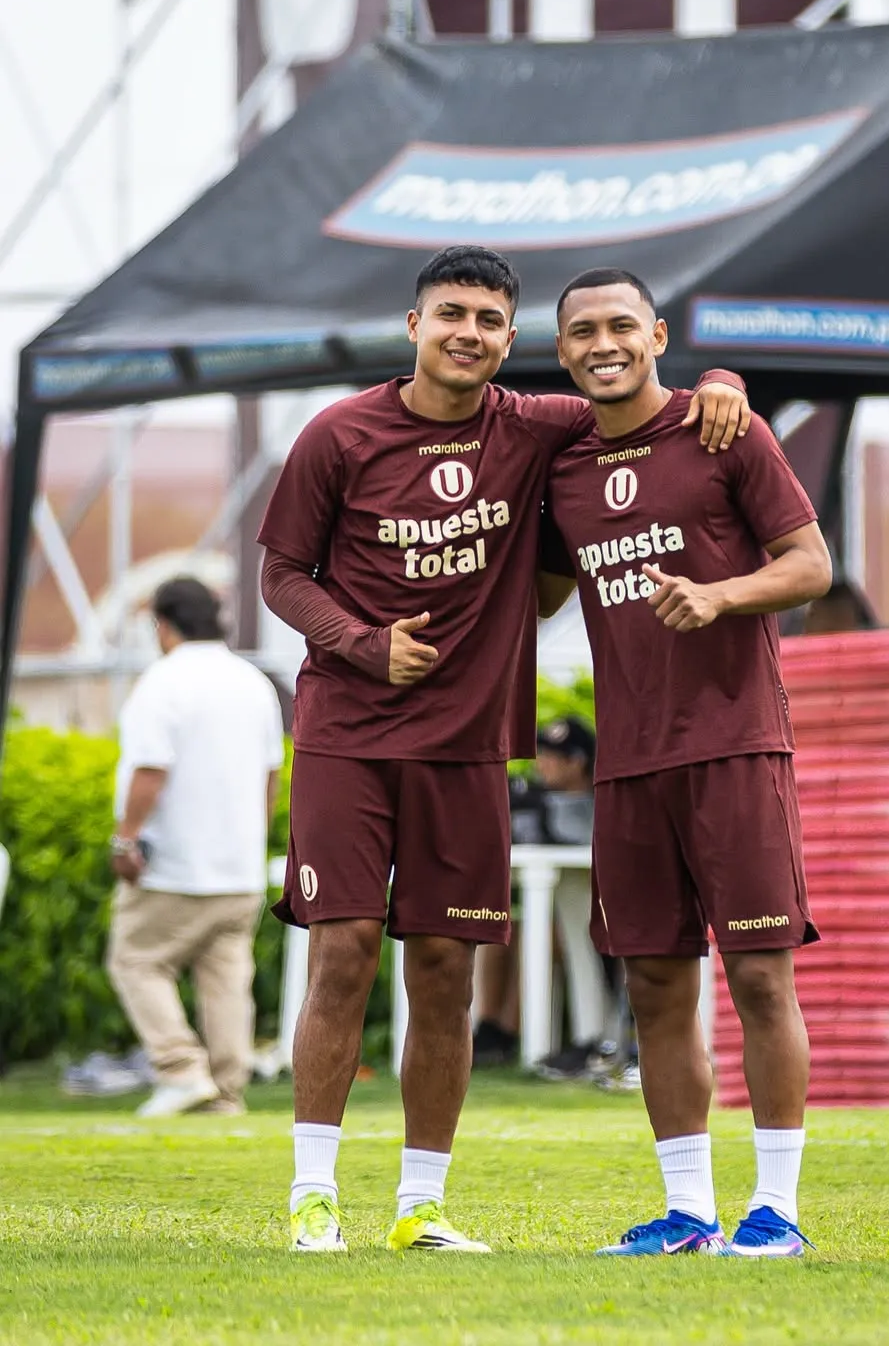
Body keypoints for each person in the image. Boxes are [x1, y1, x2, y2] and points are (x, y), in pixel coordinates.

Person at [256, 245, 751, 1254]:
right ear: (414, 325)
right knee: (343, 952)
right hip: (350, 735)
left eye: (489, 319)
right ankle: (314, 1195)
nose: (468, 333)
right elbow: (280, 574)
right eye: (451, 314)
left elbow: (639, 401)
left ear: (509, 337)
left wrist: (721, 382)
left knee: (447, 967)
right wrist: (360, 643)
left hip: (471, 747)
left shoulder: (537, 426)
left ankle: (420, 1205)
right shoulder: (338, 433)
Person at [539, 267, 832, 1258]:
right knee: (656, 988)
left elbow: (809, 564)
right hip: (627, 763)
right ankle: (688, 1213)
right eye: (583, 331)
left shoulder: (727, 431)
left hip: (736, 743)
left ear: (656, 334)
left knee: (758, 977)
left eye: (622, 324)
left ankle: (778, 1212)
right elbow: (537, 594)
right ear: (564, 348)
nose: (603, 343)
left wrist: (720, 596)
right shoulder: (561, 462)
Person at [106, 576, 285, 1119]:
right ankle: (226, 1091)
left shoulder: (163, 682)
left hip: (177, 865)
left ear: (162, 624)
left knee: (135, 959)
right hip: (239, 866)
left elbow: (150, 768)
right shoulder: (252, 680)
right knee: (227, 976)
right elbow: (271, 773)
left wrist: (125, 838)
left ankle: (181, 1069)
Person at [473, 716, 612, 1079]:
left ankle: (532, 1034)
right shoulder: (527, 797)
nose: (542, 763)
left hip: (591, 925)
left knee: (546, 935)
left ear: (578, 762)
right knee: (499, 930)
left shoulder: (603, 804)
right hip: (553, 916)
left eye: (554, 756)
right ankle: (491, 1031)